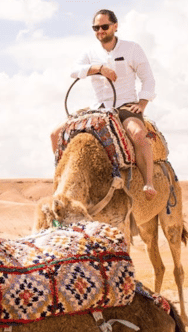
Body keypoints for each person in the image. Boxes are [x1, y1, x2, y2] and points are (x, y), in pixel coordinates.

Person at [52, 9, 157, 200]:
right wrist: (99, 68)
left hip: (125, 105)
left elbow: (148, 79)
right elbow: (73, 71)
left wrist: (142, 104)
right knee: (55, 134)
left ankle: (148, 183)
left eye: (104, 26)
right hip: (97, 108)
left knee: (138, 133)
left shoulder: (132, 48)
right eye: (96, 27)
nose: (100, 30)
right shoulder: (90, 53)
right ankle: (61, 182)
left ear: (115, 27)